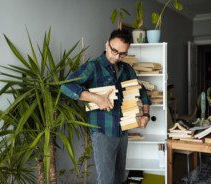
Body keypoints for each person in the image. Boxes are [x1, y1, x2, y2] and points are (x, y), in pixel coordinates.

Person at [60, 29, 151, 184]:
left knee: (120, 178)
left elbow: (142, 93)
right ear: (107, 44)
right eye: (114, 50)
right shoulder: (93, 67)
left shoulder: (127, 69)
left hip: (123, 131)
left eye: (122, 54)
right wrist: (96, 98)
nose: (117, 57)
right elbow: (66, 86)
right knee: (106, 180)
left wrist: (146, 115)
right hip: (103, 132)